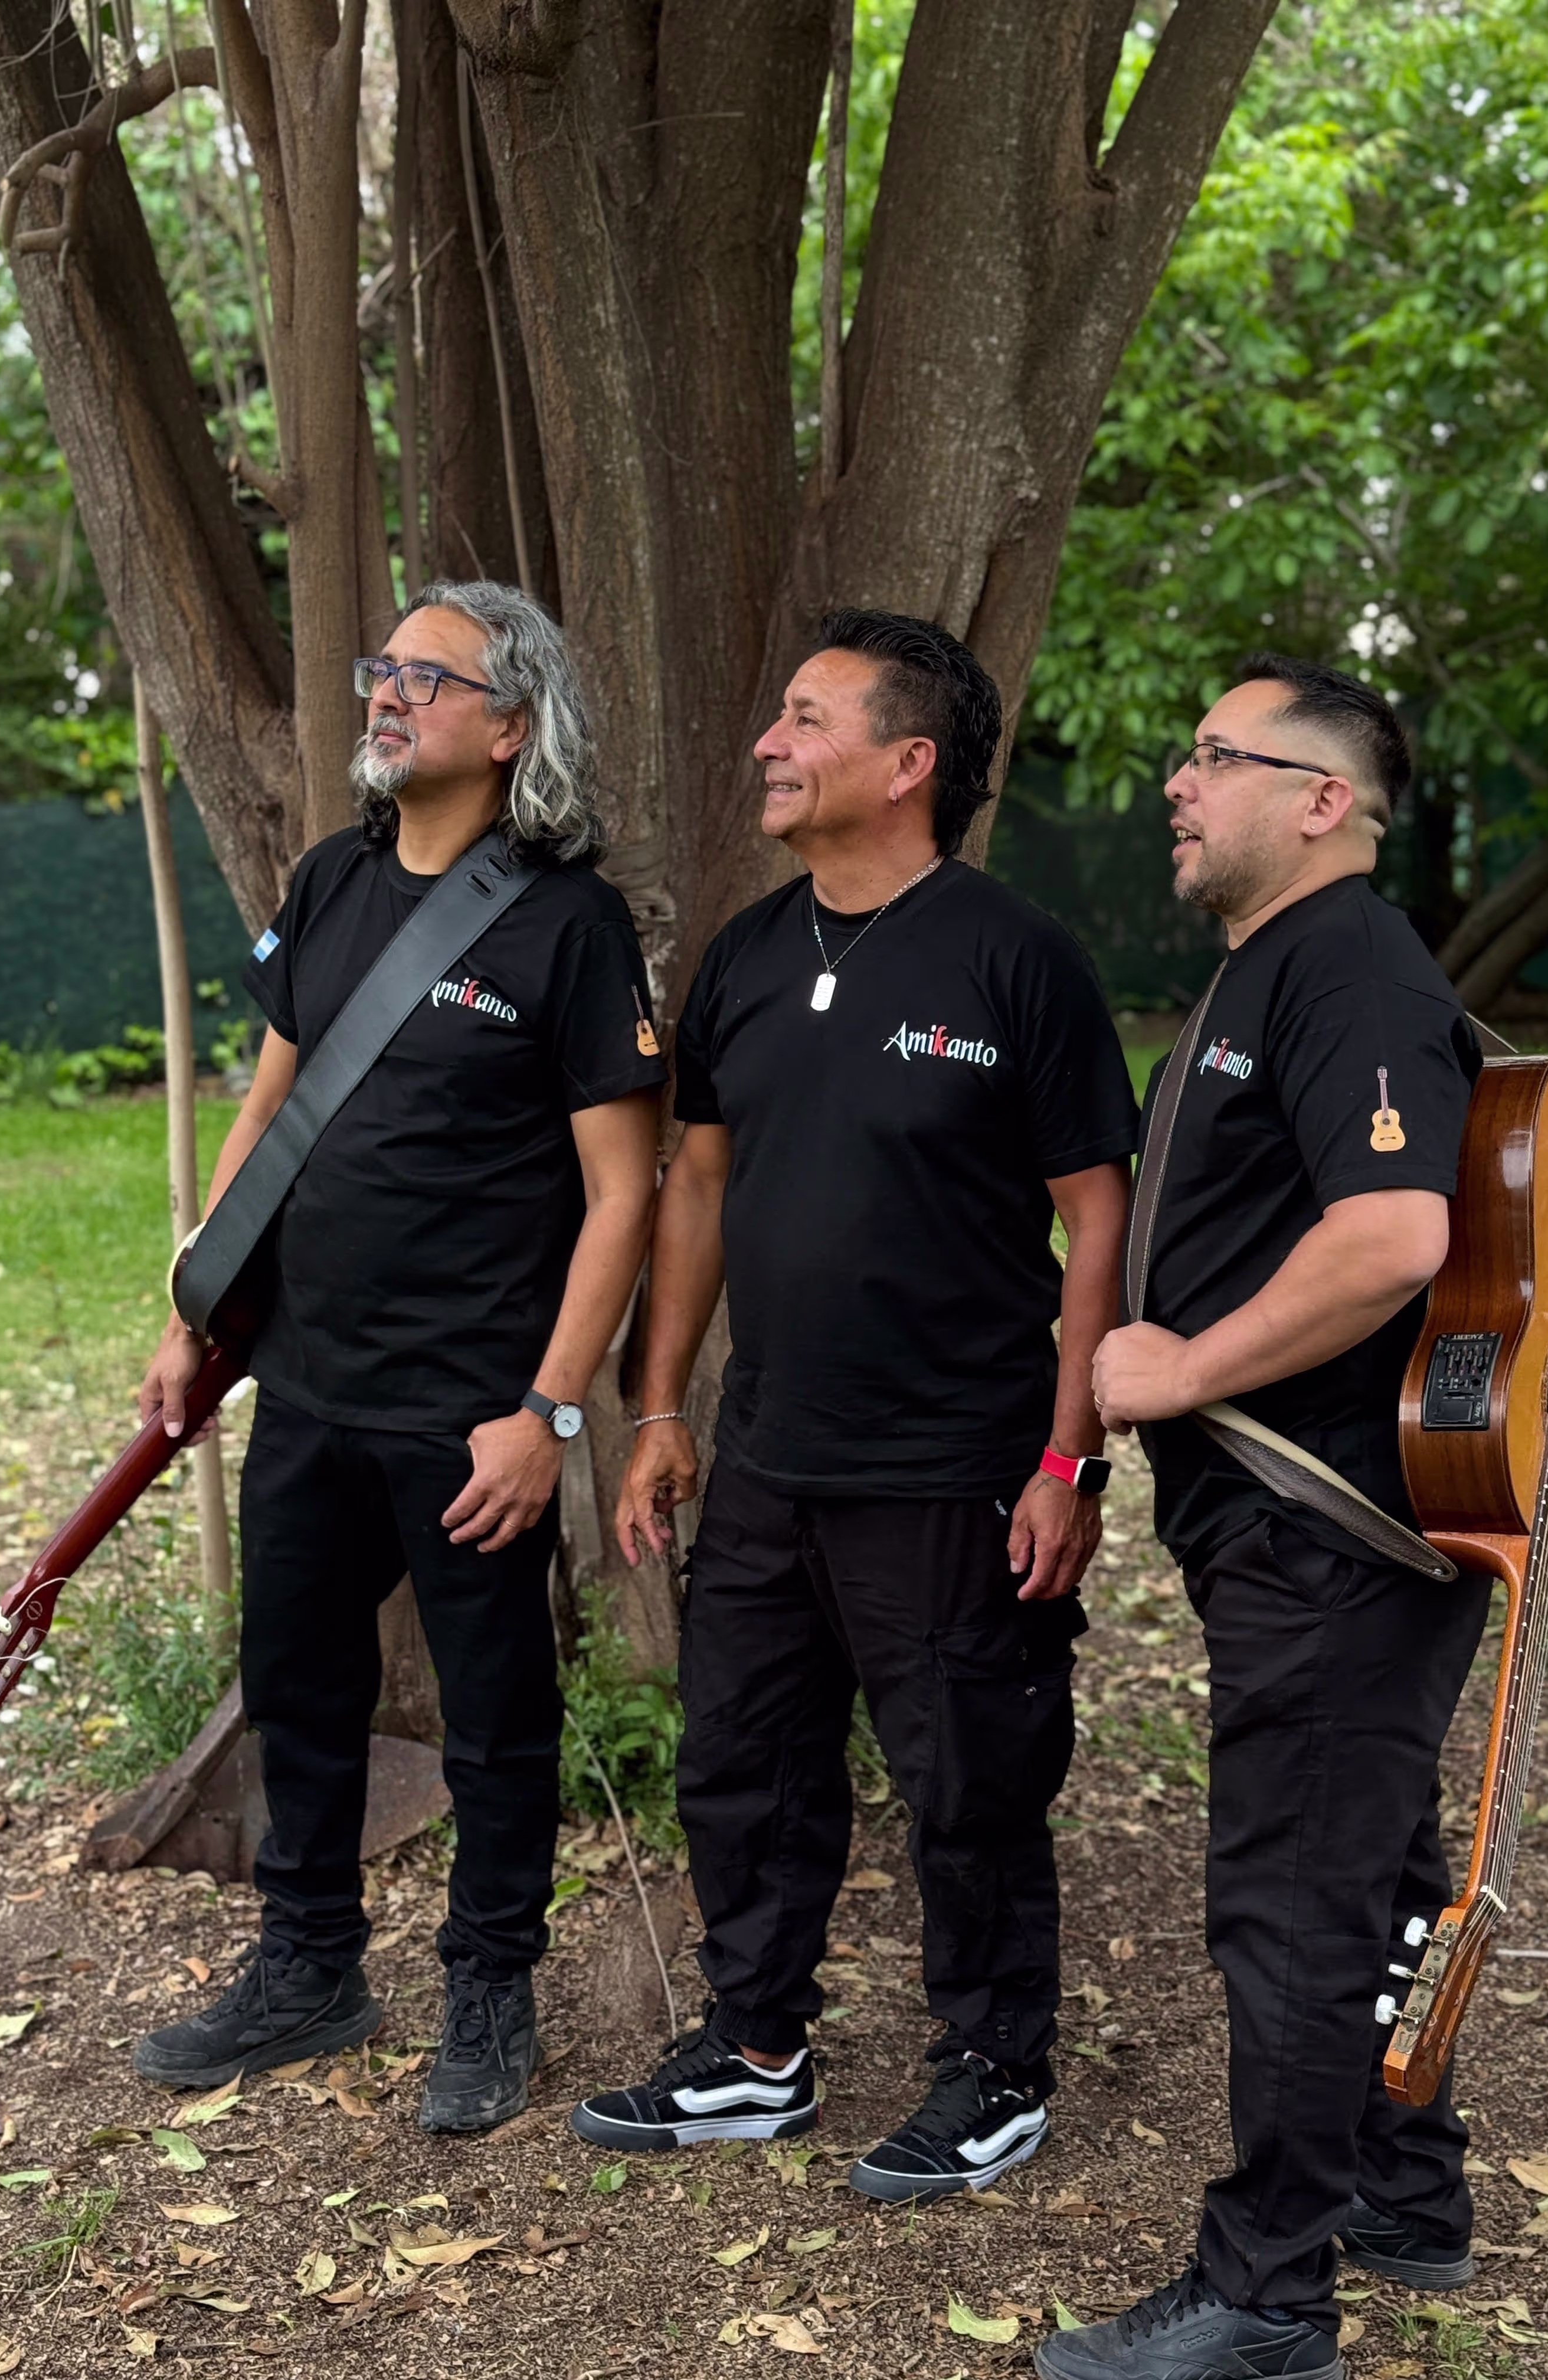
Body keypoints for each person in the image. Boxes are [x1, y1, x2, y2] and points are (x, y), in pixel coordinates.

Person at [568, 610, 1137, 2199]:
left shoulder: (1018, 959)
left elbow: (1100, 1215)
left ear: (908, 764)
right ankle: (755, 2054)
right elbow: (698, 1181)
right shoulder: (746, 957)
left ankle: (996, 2066)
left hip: (956, 1463)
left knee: (969, 1772)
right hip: (765, 1454)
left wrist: (1068, 1454)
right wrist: (664, 1403)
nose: (769, 741)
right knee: (740, 1762)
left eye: (805, 718)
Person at [132, 580, 665, 2133]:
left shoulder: (570, 927)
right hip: (305, 1381)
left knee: (497, 1719)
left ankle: (490, 1988)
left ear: (509, 728)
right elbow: (268, 1109)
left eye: (426, 679)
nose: (386, 693)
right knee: (296, 1683)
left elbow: (624, 1194)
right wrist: (192, 1314)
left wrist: (547, 1412)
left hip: (470, 1412)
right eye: (384, 669)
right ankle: (309, 1966)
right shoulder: (332, 881)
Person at [1034, 656, 1490, 2380]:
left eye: (1217, 756)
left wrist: (1174, 1366)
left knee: (1296, 1891)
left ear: (1324, 799)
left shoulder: (1350, 962)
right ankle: (1404, 2193)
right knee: (1364, 1869)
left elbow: (1392, 1239)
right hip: (1300, 1529)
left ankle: (1264, 2297)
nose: (1178, 780)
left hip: (1335, 1528)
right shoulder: (1272, 969)